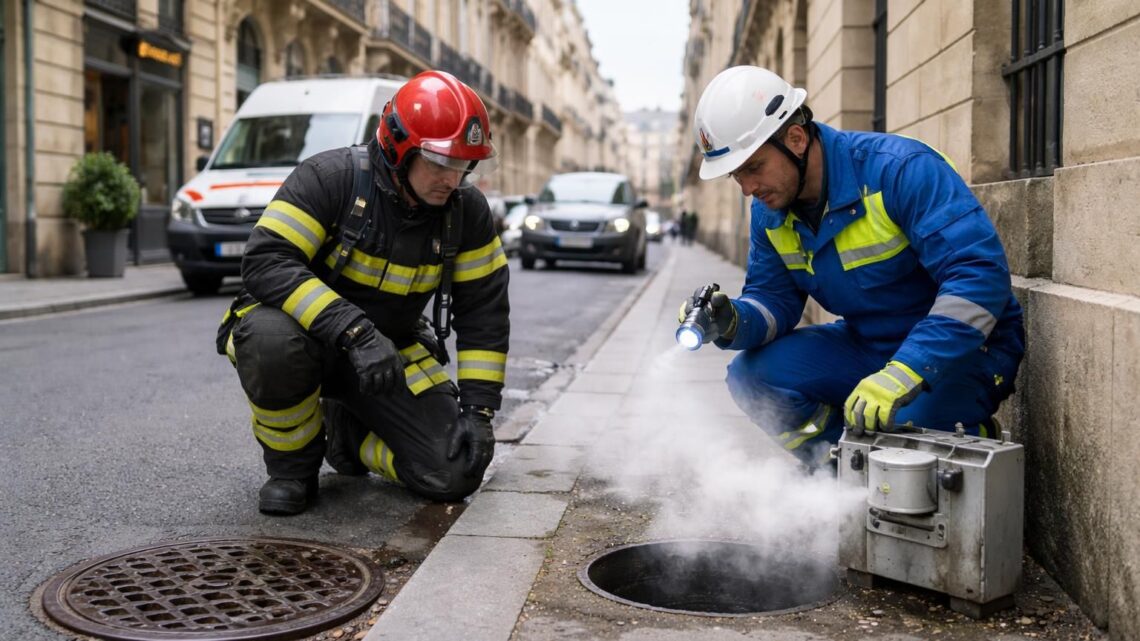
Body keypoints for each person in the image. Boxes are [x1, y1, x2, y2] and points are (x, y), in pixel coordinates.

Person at [679, 66, 1024, 467]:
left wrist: (907, 369)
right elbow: (774, 300)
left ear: (795, 138)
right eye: (736, 175)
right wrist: (732, 321)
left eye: (753, 167)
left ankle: (969, 434)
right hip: (869, 344)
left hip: (966, 351)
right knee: (751, 377)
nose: (747, 188)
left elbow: (978, 276)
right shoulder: (769, 211)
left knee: (901, 439)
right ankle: (837, 471)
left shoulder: (901, 170)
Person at [217, 70, 510, 514]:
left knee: (454, 473)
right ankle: (293, 469)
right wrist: (355, 331)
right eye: (438, 161)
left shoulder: (466, 212)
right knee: (271, 340)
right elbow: (266, 261)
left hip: (387, 357)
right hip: (307, 340)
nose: (452, 179)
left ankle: (349, 439)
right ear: (398, 145)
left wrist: (479, 413)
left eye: (463, 165)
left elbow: (483, 315)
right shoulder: (328, 178)